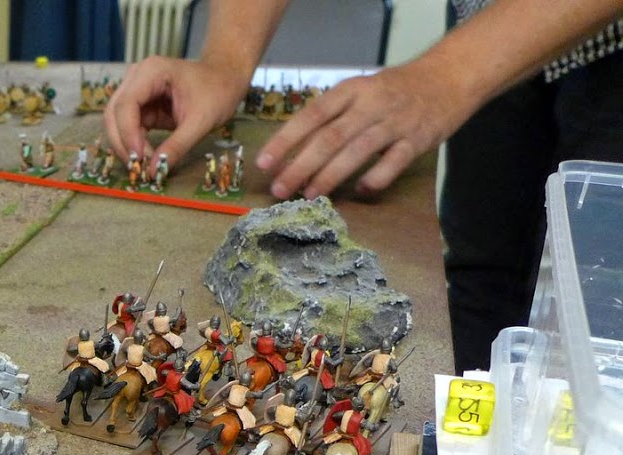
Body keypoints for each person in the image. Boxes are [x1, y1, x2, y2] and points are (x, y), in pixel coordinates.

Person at [105, 0, 623, 373]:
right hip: (487, 12)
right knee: (480, 270)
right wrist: (225, 61)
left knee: (591, 312)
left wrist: (443, 78)